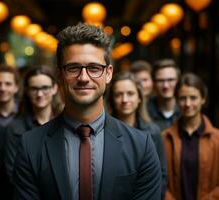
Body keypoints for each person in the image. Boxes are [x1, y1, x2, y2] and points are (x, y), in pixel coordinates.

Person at [13, 22, 161, 200]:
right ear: (59, 75)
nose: (84, 78)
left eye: (94, 68)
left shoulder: (141, 146)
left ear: (108, 74)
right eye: (73, 68)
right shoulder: (30, 146)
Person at [162, 73, 219, 200]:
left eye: (193, 98)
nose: (188, 103)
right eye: (182, 98)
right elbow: (160, 182)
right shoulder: (165, 138)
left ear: (203, 99)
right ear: (176, 100)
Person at [106, 71, 167, 199]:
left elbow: (161, 175)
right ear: (112, 100)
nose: (124, 100)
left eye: (130, 94)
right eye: (118, 95)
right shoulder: (103, 131)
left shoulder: (153, 131)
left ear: (139, 98)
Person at [5, 65, 63, 180]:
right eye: (34, 88)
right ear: (26, 90)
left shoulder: (65, 123)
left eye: (45, 88)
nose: (40, 94)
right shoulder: (15, 128)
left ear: (54, 88)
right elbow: (12, 173)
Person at [148, 59, 181, 131]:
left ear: (178, 81)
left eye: (170, 80)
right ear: (153, 83)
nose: (166, 86)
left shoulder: (186, 110)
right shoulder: (144, 114)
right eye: (160, 81)